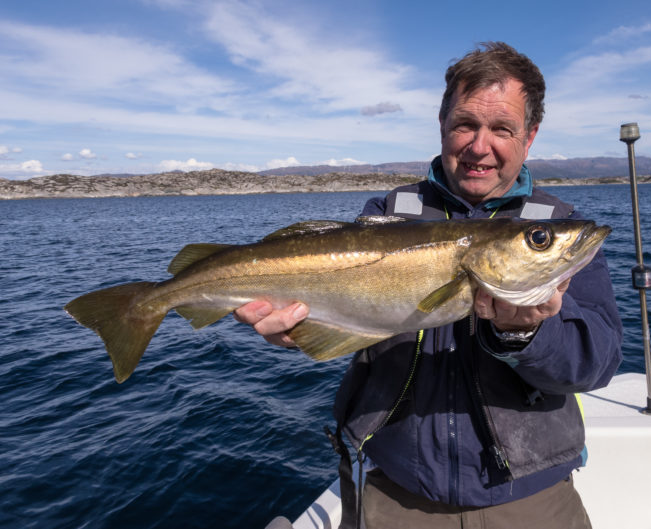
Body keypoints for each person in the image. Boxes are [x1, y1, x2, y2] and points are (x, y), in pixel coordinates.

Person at [236, 42, 622, 529]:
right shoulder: (384, 217)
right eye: (466, 124)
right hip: (397, 489)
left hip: (530, 494)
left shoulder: (562, 230)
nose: (480, 146)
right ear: (442, 125)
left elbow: (597, 362)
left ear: (530, 136)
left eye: (502, 129)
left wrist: (525, 335)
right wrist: (296, 327)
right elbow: (345, 325)